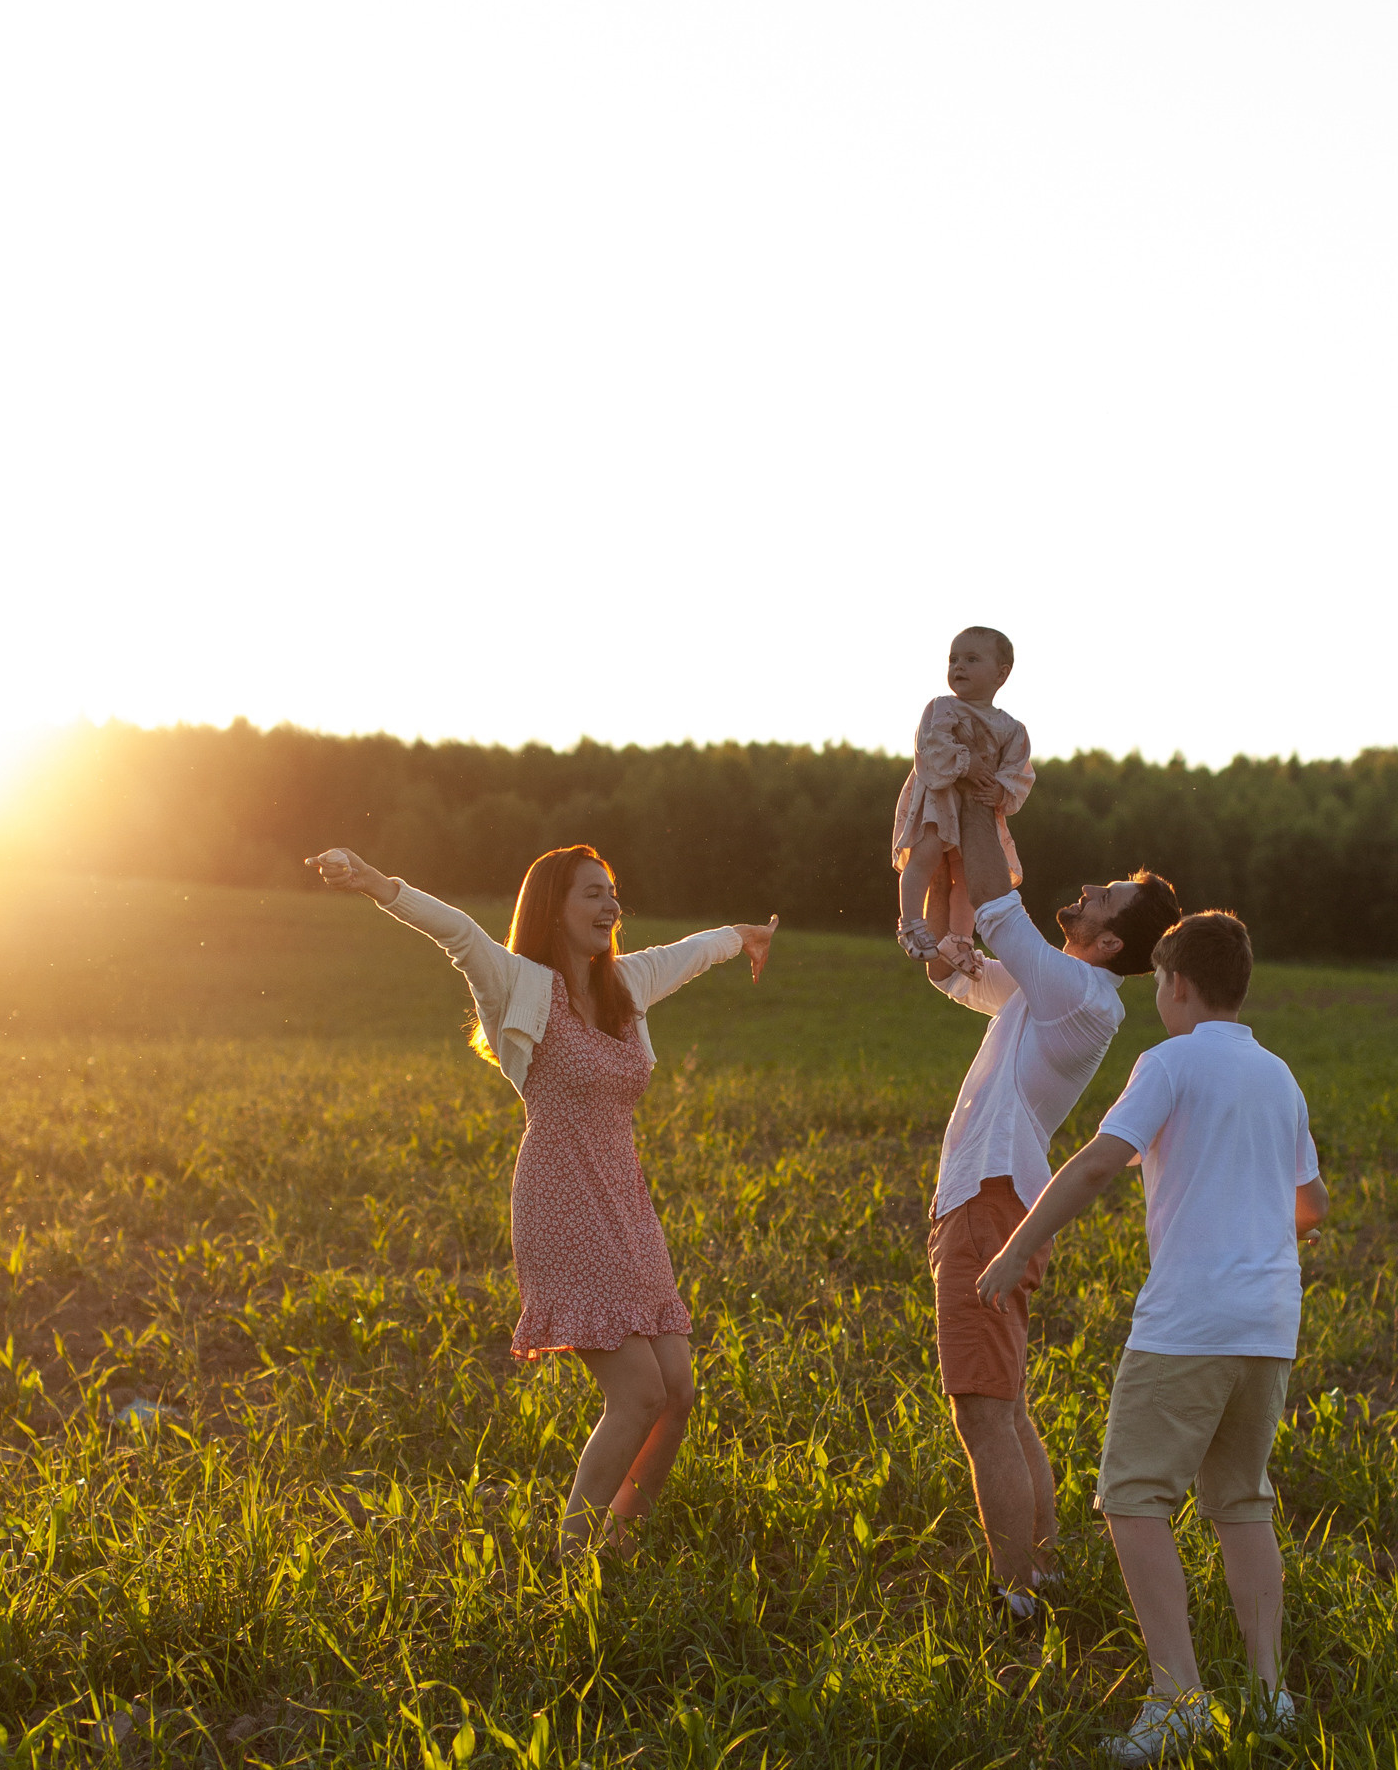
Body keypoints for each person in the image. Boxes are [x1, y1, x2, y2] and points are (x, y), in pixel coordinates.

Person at [307, 841, 776, 1556]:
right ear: (553, 908)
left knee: (676, 1391)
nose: (610, 904)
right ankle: (572, 1553)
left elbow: (691, 952)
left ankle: (619, 1540)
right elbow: (458, 933)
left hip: (625, 1198)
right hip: (562, 1196)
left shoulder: (626, 985)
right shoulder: (517, 982)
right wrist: (376, 882)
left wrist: (743, 936)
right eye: (593, 892)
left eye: (613, 891)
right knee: (639, 1394)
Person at [975, 908, 1329, 1763]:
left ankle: (1177, 1697)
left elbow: (1099, 1161)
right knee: (1241, 1503)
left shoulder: (1167, 1062)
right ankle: (1269, 1694)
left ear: (1174, 983)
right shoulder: (1278, 1075)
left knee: (1133, 1498)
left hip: (1190, 1321)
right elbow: (1310, 1208)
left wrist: (1013, 1247)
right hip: (1270, 1322)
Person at [921, 794, 1180, 1623]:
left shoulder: (1079, 993)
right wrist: (948, 867)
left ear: (1107, 943)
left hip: (994, 1199)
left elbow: (1001, 913)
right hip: (994, 1197)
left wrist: (965, 801)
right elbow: (946, 963)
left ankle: (1016, 1593)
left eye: (1105, 898)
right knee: (1002, 1402)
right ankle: (1042, 1570)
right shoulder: (1049, 992)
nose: (1089, 891)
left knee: (982, 1409)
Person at [891, 626, 1035, 963]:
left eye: (971, 659)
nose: (959, 667)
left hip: (977, 813)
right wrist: (966, 763)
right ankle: (911, 923)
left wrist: (1001, 788)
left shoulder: (1012, 728)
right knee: (925, 854)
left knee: (969, 875)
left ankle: (959, 940)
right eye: (953, 659)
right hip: (938, 800)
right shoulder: (942, 708)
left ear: (1002, 674)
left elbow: (1019, 771)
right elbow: (931, 744)